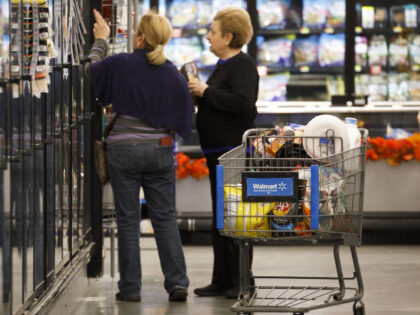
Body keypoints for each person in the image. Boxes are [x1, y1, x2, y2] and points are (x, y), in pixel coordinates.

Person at [85, 9, 193, 302]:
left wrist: (101, 40)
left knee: (128, 220)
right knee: (165, 218)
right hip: (159, 150)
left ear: (142, 36)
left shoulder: (121, 64)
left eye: (135, 33)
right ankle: (177, 283)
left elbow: (90, 71)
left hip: (123, 151)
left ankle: (130, 289)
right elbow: (184, 115)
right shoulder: (171, 71)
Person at [188, 7, 259, 299]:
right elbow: (222, 101)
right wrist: (199, 94)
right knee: (221, 216)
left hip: (234, 152)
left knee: (236, 217)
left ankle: (242, 280)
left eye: (213, 32)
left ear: (229, 36)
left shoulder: (242, 65)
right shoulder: (222, 65)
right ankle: (222, 279)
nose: (208, 36)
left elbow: (242, 104)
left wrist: (205, 92)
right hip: (218, 151)